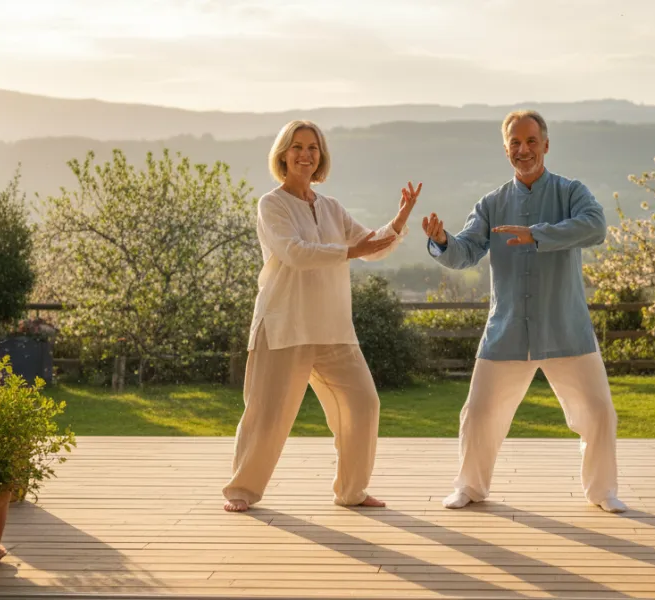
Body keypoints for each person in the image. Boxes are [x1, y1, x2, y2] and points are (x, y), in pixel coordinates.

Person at [422, 110, 626, 513]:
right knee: (478, 413)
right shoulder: (491, 204)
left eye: (531, 141)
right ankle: (470, 487)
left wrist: (538, 235)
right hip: (507, 330)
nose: (523, 149)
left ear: (546, 145)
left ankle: (602, 492)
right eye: (515, 143)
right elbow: (464, 253)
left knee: (599, 411)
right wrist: (442, 240)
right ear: (506, 150)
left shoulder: (571, 192)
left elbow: (596, 227)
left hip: (565, 327)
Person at [222, 120, 420, 512]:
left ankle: (352, 492)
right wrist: (349, 251)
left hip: (333, 329)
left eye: (312, 148)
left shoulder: (331, 208)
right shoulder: (272, 204)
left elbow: (371, 247)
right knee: (267, 415)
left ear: (321, 156)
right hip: (284, 326)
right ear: (283, 154)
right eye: (296, 147)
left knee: (363, 404)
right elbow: (295, 252)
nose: (305, 154)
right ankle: (242, 492)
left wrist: (398, 221)